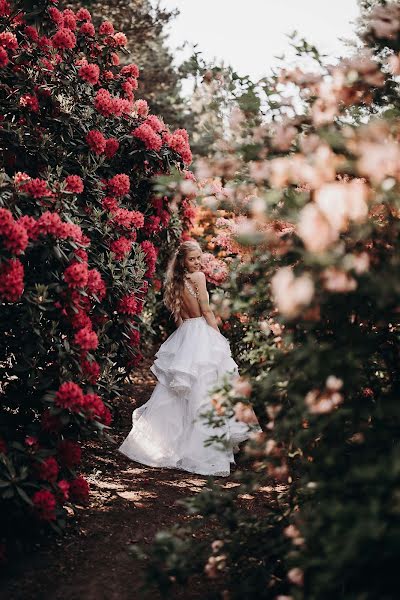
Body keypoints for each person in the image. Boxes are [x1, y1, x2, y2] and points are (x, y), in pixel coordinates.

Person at [118, 240, 259, 476]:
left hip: (185, 333)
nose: (197, 263)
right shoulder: (199, 278)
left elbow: (179, 317)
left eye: (199, 258)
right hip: (201, 331)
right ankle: (202, 450)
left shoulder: (175, 281)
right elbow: (206, 310)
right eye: (192, 259)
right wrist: (218, 338)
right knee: (205, 389)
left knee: (184, 391)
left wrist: (185, 341)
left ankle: (173, 444)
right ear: (183, 260)